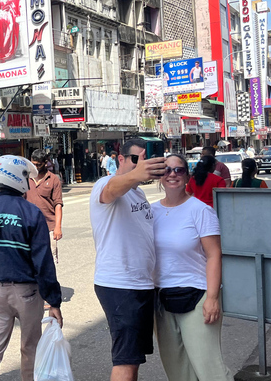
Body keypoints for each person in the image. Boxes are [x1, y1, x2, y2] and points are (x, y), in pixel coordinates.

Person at [0, 155, 63, 381]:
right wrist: (54, 301)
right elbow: (43, 262)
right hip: (27, 292)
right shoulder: (31, 212)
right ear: (18, 179)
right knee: (30, 347)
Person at [90, 138, 166, 381]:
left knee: (133, 360)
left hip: (140, 285)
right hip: (120, 285)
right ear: (120, 159)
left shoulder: (138, 192)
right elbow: (111, 190)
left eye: (145, 158)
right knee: (125, 360)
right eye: (136, 158)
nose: (141, 163)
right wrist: (137, 174)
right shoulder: (106, 184)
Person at [152, 154, 234, 381]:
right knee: (177, 372)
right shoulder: (151, 212)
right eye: (167, 170)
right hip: (162, 300)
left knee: (210, 370)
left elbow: (214, 254)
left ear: (187, 176)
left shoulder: (200, 210)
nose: (172, 175)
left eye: (178, 170)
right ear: (160, 177)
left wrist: (212, 298)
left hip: (198, 298)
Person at [25, 149, 64, 265]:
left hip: (49, 228)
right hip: (28, 227)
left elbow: (58, 204)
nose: (36, 167)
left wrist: (58, 227)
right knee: (29, 260)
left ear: (46, 163)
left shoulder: (53, 179)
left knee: (49, 261)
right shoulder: (25, 178)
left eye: (38, 164)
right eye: (33, 164)